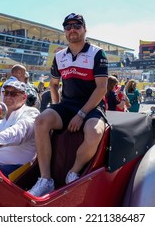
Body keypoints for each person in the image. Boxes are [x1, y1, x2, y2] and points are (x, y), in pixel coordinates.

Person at [28, 13, 108, 197]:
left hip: (92, 106)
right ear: (64, 31)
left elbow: (102, 89)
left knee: (94, 133)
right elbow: (54, 85)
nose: (72, 29)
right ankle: (45, 179)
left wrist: (81, 114)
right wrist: (55, 108)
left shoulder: (97, 53)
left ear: (84, 29)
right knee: (41, 121)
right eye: (68, 26)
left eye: (77, 26)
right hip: (67, 105)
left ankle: (73, 172)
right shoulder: (59, 57)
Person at [0, 81, 40, 176]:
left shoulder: (31, 113)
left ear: (24, 97)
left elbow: (19, 132)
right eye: (6, 93)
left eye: (13, 94)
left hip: (17, 169)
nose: (8, 97)